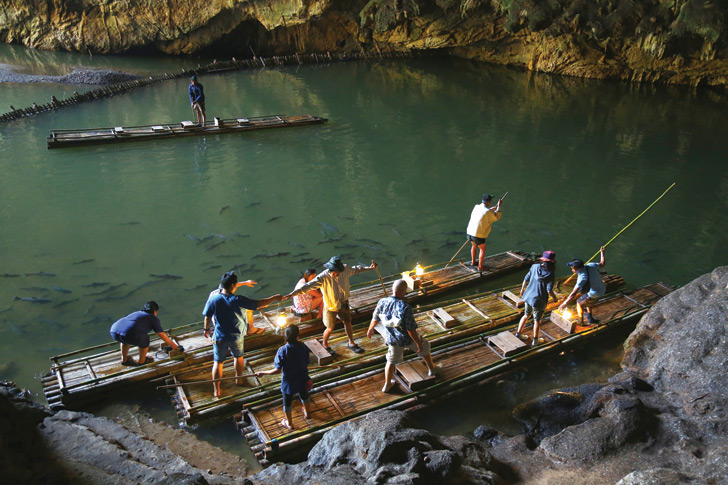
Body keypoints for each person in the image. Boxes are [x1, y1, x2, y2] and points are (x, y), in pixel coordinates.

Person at [203, 271, 282, 398]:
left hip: (219, 336)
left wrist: (206, 330)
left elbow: (207, 317)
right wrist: (275, 297)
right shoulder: (238, 299)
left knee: (218, 362)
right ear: (233, 285)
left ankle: (216, 390)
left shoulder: (214, 299)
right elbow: (260, 303)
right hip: (236, 335)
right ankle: (239, 379)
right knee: (238, 357)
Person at [283, 256, 377, 355]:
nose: (336, 274)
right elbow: (307, 286)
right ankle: (325, 344)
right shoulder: (323, 277)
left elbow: (357, 269)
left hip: (343, 303)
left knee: (347, 322)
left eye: (338, 272)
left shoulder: (345, 270)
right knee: (330, 327)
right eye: (335, 272)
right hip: (330, 305)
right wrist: (292, 294)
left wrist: (369, 268)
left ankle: (351, 342)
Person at [367, 279, 437, 393]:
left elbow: (375, 318)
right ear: (402, 291)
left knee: (390, 361)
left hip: (392, 338)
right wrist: (418, 343)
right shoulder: (405, 307)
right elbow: (411, 329)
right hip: (407, 339)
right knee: (424, 347)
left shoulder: (382, 302)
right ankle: (432, 369)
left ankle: (387, 384)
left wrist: (370, 329)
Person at [255, 325, 312, 430]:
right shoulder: (303, 347)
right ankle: (307, 413)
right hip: (302, 376)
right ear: (298, 335)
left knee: (287, 402)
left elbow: (278, 369)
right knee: (304, 394)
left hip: (289, 380)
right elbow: (306, 362)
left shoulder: (283, 350)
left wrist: (263, 372)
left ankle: (289, 423)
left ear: (285, 336)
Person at [110, 301, 179, 366]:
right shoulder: (153, 318)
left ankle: (124, 360)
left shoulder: (137, 313)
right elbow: (161, 334)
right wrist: (174, 347)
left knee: (124, 340)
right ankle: (142, 361)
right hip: (129, 334)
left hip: (114, 331)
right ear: (155, 311)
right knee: (145, 340)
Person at [515, 250, 558, 347]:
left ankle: (518, 334)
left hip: (528, 296)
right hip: (539, 300)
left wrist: (522, 290)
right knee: (537, 321)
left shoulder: (534, 266)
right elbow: (549, 290)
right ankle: (535, 340)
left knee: (526, 315)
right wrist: (555, 298)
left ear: (543, 260)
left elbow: (526, 278)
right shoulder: (550, 274)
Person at [558, 246, 607, 325]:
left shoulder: (582, 277)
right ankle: (590, 318)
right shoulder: (591, 265)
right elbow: (602, 264)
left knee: (579, 302)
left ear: (575, 269)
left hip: (595, 293)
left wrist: (564, 304)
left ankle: (581, 322)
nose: (571, 269)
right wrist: (602, 252)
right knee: (588, 300)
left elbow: (573, 294)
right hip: (602, 288)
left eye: (572, 268)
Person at [466, 193, 503, 271]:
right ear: (489, 202)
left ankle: (473, 262)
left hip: (469, 232)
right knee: (482, 249)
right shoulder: (487, 212)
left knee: (474, 246)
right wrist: (498, 207)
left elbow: (484, 212)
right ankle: (480, 267)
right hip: (478, 235)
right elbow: (496, 217)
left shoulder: (476, 207)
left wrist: (491, 210)